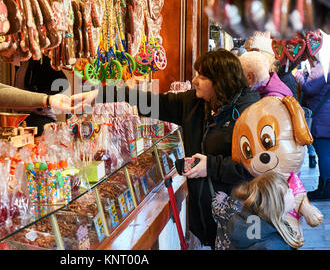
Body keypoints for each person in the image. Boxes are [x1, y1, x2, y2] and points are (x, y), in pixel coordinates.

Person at [73, 49, 260, 248]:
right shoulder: (194, 103)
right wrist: (102, 94)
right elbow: (152, 101)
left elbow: (255, 166)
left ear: (221, 81)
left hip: (239, 219)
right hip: (207, 219)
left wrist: (211, 166)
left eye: (203, 77)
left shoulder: (249, 111)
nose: (195, 80)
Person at [218, 171, 304, 250]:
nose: (292, 190)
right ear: (276, 205)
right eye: (288, 190)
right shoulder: (275, 245)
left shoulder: (242, 226)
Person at [295, 61, 330, 200]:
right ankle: (324, 187)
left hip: (322, 116)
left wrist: (299, 78)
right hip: (325, 115)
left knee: (324, 154)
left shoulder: (322, 67)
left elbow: (309, 89)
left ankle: (326, 189)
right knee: (325, 153)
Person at [14, 56, 69, 137]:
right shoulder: (20, 62)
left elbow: (63, 83)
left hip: (41, 117)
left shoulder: (41, 60)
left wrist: (43, 97)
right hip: (23, 117)